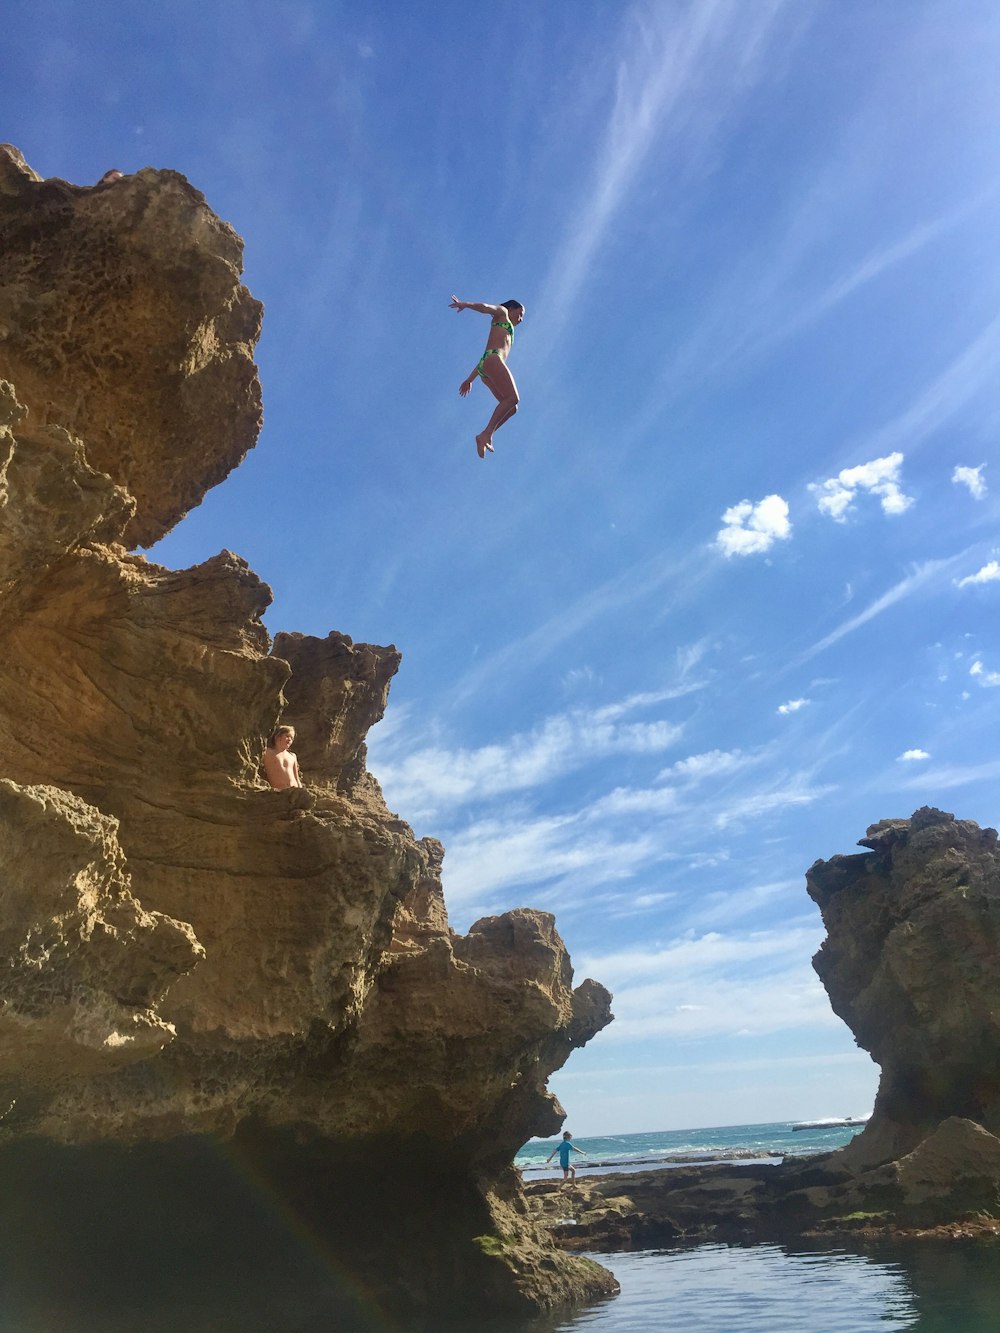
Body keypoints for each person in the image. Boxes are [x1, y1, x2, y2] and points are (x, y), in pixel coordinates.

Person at [450, 295, 525, 458]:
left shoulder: (508, 330)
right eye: (520, 314)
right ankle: (486, 434)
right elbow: (485, 307)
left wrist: (470, 379)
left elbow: (485, 359)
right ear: (511, 308)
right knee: (513, 398)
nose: (520, 319)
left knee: (512, 408)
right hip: (492, 359)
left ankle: (486, 435)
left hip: (486, 366)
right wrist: (466, 304)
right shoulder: (503, 312)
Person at [263, 725, 301, 789]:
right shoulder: (267, 753)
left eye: (291, 738)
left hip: (294, 790)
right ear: (277, 737)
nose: (289, 739)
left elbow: (297, 778)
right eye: (287, 736)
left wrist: (300, 789)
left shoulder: (292, 756)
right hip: (280, 792)